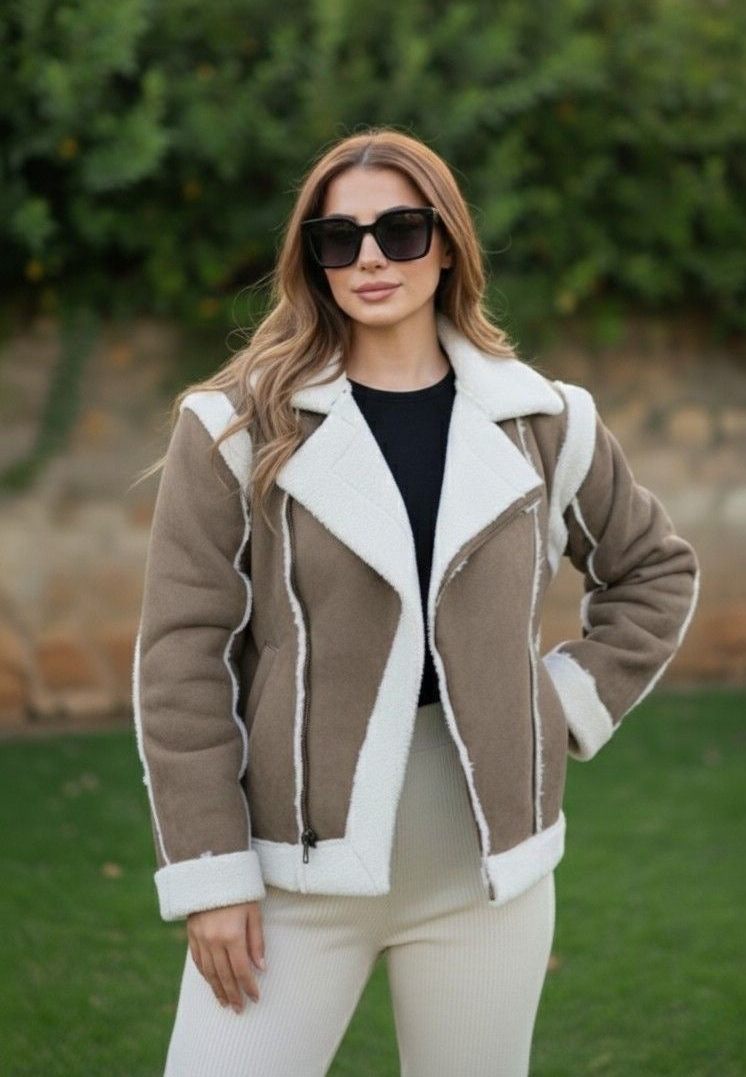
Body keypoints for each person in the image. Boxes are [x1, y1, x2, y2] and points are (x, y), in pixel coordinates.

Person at [132, 128, 700, 1077]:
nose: (370, 258)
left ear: (446, 244)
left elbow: (654, 571)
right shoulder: (234, 426)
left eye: (400, 230)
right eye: (338, 238)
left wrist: (558, 705)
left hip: (488, 873)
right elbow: (182, 660)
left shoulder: (543, 419)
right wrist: (210, 875)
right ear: (312, 259)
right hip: (289, 871)